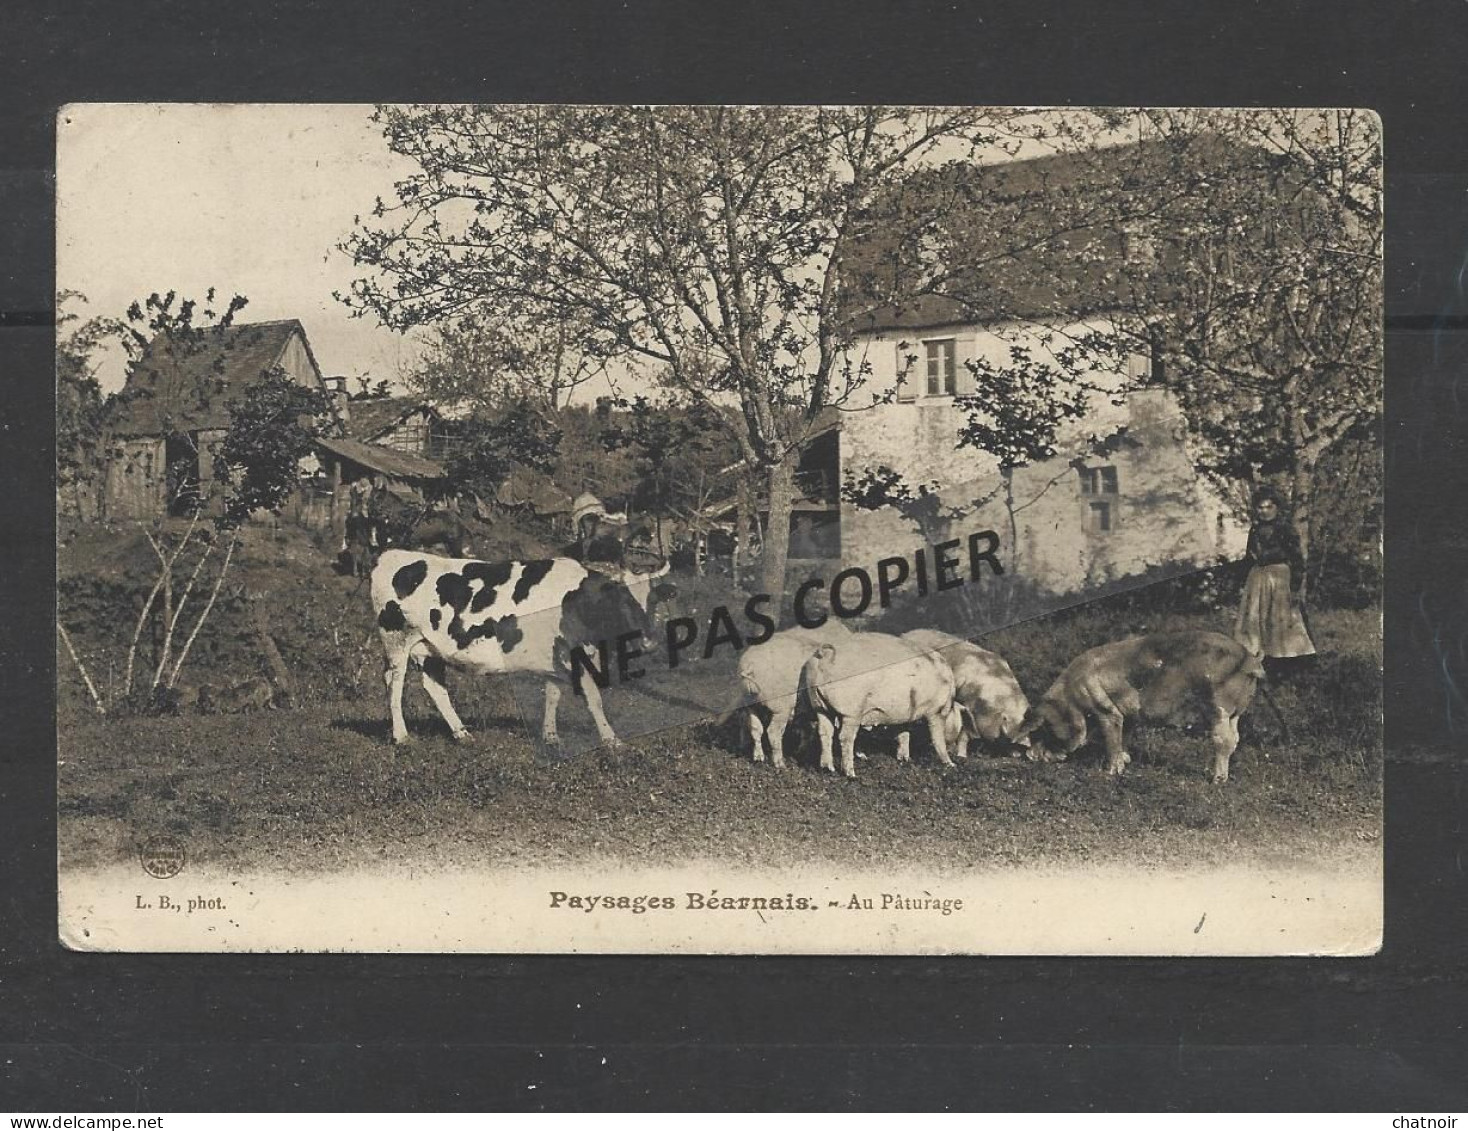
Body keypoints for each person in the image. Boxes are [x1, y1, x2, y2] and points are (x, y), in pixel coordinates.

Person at [1234, 485, 1316, 676]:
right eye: (1260, 508)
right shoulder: (1254, 530)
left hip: (1279, 578)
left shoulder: (1286, 529)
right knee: (1257, 618)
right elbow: (1248, 556)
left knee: (1281, 619)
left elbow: (1297, 560)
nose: (1264, 511)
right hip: (1258, 578)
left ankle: (1290, 660)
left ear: (1277, 508)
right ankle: (1258, 656)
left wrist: (1295, 588)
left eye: (1268, 507)